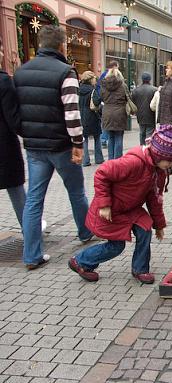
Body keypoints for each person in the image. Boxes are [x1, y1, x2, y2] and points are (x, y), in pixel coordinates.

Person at [13, 25, 92, 269]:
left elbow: (15, 112)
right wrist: (78, 143)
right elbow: (72, 114)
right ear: (61, 46)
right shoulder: (65, 72)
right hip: (61, 145)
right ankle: (85, 232)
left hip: (35, 147)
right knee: (76, 191)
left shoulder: (21, 72)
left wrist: (26, 133)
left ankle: (31, 255)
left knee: (34, 199)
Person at [68, 125, 172, 283]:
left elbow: (155, 199)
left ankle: (140, 268)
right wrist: (104, 205)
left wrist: (159, 225)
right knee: (116, 246)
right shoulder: (133, 162)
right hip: (112, 208)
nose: (171, 166)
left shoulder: (158, 171)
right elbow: (102, 173)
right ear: (158, 154)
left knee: (145, 228)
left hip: (130, 208)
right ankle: (80, 261)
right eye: (169, 161)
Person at [0, 35, 25, 229]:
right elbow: (13, 119)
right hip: (4, 146)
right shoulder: (4, 82)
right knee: (16, 191)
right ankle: (31, 238)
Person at [100, 67, 128, 160]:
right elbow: (128, 97)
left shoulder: (103, 85)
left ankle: (111, 160)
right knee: (119, 136)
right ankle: (118, 159)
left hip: (107, 112)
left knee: (110, 137)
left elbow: (100, 97)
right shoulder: (123, 85)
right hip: (120, 113)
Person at [78, 71, 104, 166]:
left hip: (81, 116)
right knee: (97, 137)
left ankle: (85, 161)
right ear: (90, 80)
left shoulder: (79, 90)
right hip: (92, 116)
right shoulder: (92, 90)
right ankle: (99, 158)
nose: (95, 81)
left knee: (84, 138)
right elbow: (97, 102)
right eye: (94, 79)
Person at [96, 60, 119, 148]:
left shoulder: (102, 76)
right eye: (117, 67)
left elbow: (99, 88)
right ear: (114, 67)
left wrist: (102, 99)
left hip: (105, 103)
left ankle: (104, 139)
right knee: (109, 124)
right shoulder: (116, 77)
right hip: (113, 104)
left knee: (105, 121)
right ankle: (105, 139)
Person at [131, 72, 157, 145]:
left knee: (142, 132)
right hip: (151, 115)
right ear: (150, 79)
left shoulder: (136, 90)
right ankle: (148, 149)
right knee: (149, 132)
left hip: (140, 115)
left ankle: (141, 148)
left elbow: (133, 102)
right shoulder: (154, 90)